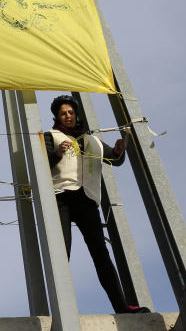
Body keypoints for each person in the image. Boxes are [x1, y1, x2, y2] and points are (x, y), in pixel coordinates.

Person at [43, 94, 150, 314]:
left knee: (101, 254)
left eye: (71, 112)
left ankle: (121, 306)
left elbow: (114, 158)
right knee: (62, 251)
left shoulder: (90, 139)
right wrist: (56, 153)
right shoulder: (50, 136)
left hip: (87, 199)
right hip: (61, 196)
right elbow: (40, 164)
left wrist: (120, 151)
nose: (68, 116)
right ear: (57, 116)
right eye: (63, 113)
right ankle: (61, 310)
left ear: (76, 115)